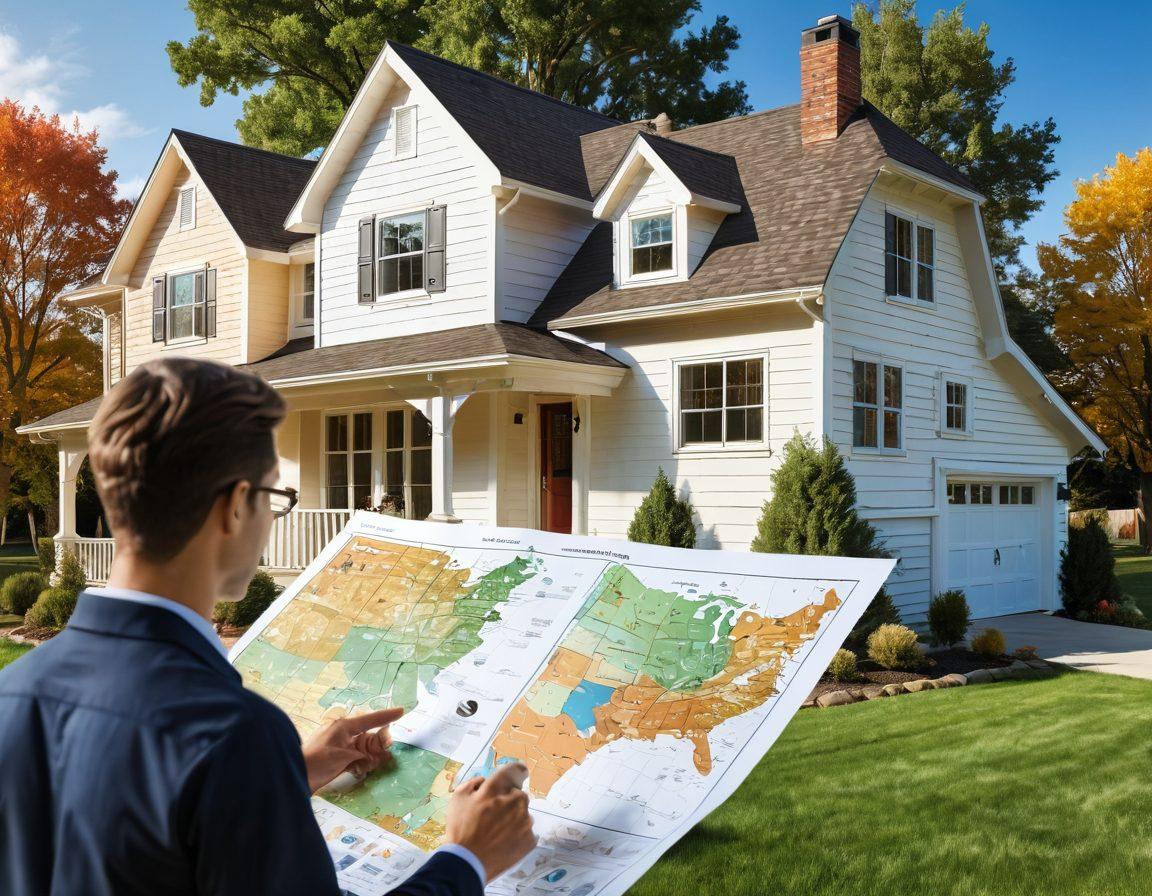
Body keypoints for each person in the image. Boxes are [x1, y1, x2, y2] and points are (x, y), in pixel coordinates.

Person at [0, 357, 537, 896]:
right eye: (275, 498)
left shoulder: (13, 695)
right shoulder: (231, 735)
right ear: (236, 506)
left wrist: (277, 780)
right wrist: (467, 858)